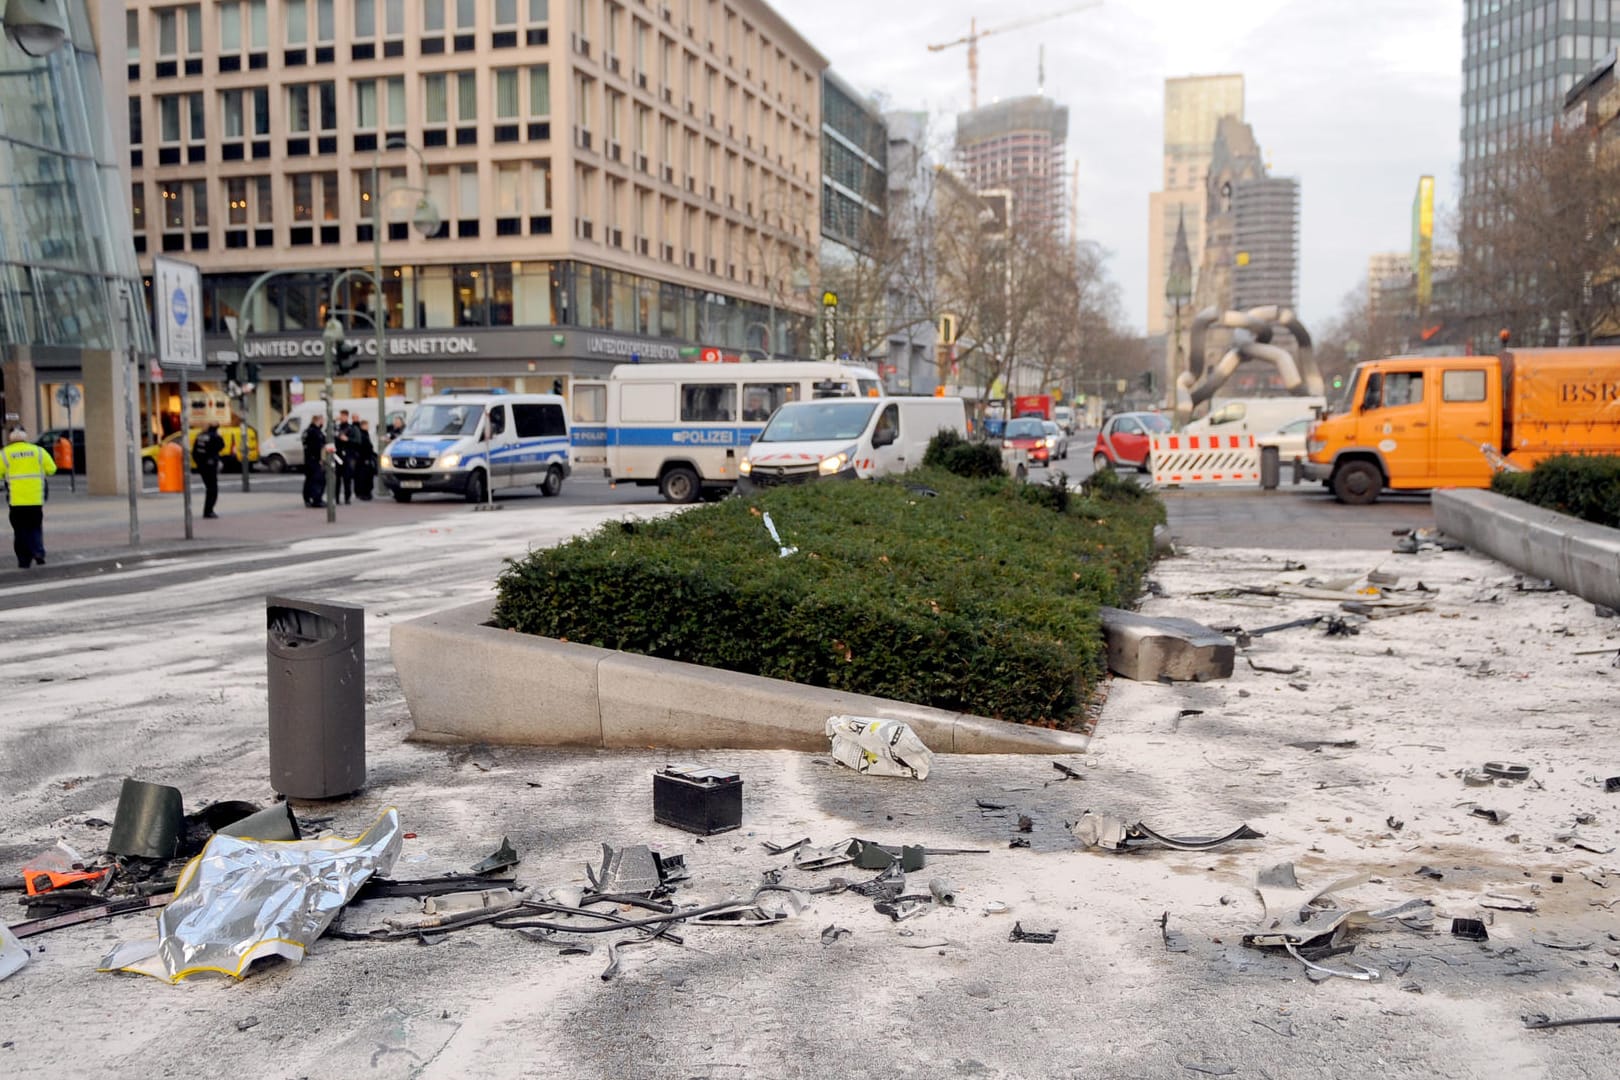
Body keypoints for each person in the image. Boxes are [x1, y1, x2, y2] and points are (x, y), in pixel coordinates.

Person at [1, 427, 57, 569]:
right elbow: (52, 469)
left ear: (10, 438)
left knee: (20, 530)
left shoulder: (5, 454)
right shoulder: (38, 451)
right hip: (35, 499)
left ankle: (23, 559)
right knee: (35, 527)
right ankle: (38, 553)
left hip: (16, 500)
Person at [192, 421, 225, 519]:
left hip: (201, 465)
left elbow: (194, 452)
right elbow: (221, 446)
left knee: (209, 487)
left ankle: (208, 510)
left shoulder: (200, 436)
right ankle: (208, 511)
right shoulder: (215, 437)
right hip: (210, 465)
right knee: (212, 489)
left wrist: (199, 463)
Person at [301, 413, 327, 508]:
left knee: (309, 480)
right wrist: (319, 459)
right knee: (317, 480)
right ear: (318, 420)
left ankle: (309, 498)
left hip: (309, 460)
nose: (323, 422)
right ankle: (316, 499)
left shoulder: (308, 431)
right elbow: (317, 447)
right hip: (314, 460)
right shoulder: (315, 432)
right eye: (322, 420)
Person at [334, 409, 355, 505]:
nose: (342, 418)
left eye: (344, 416)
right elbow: (329, 433)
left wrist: (347, 439)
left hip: (347, 455)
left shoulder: (350, 428)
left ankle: (347, 498)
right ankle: (337, 498)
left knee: (347, 478)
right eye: (341, 416)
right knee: (337, 478)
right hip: (338, 455)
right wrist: (333, 421)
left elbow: (355, 441)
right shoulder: (337, 427)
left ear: (347, 417)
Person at [353, 419, 377, 501]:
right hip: (364, 459)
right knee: (365, 478)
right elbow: (365, 448)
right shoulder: (363, 435)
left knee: (366, 477)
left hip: (365, 458)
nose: (368, 427)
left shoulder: (364, 434)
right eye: (366, 425)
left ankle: (365, 493)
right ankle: (365, 493)